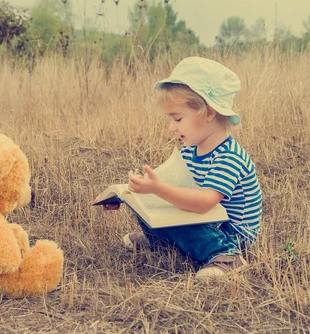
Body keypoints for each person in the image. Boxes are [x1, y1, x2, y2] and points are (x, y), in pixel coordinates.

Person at [103, 56, 262, 279]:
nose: (171, 128)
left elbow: (203, 203)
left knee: (177, 211)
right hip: (207, 221)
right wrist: (127, 197)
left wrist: (158, 189)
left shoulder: (229, 157)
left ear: (208, 113)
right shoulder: (190, 151)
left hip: (230, 233)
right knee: (155, 205)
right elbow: (174, 189)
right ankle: (159, 241)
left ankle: (228, 256)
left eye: (177, 119)